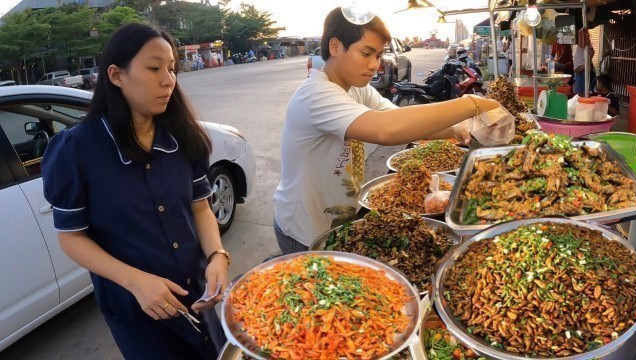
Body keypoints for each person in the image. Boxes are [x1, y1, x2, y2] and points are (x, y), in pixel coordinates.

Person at [42, 23, 229, 359]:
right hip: (137, 311)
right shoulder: (76, 150)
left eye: (172, 69)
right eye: (154, 68)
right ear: (117, 75)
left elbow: (200, 207)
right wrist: (135, 281)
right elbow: (71, 237)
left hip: (196, 293)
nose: (168, 80)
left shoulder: (183, 137)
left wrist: (217, 255)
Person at [272, 7, 501, 254]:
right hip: (304, 230)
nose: (374, 65)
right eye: (366, 53)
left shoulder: (356, 88)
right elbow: (387, 130)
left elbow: (398, 119)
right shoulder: (316, 94)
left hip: (339, 218)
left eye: (379, 55)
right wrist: (471, 104)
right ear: (335, 47)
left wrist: (459, 129)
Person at [572, 27, 596, 96]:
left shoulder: (585, 42)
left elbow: (592, 52)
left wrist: (585, 65)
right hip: (580, 72)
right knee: (579, 94)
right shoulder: (581, 44)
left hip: (583, 73)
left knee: (580, 94)